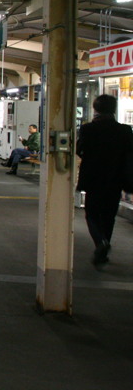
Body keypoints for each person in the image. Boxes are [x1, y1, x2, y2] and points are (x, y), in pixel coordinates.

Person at [76, 93, 133, 267]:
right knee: (109, 215)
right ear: (114, 109)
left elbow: (79, 150)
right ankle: (104, 248)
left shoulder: (88, 129)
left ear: (95, 109)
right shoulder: (124, 130)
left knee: (92, 214)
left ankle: (101, 242)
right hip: (116, 178)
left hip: (93, 178)